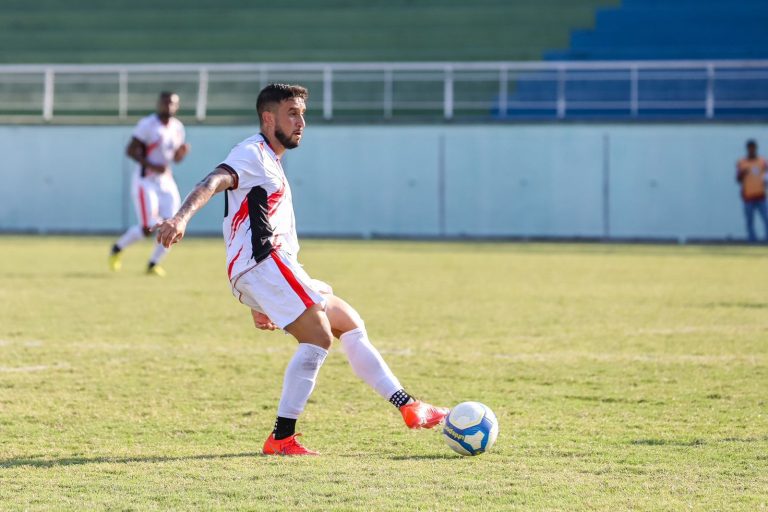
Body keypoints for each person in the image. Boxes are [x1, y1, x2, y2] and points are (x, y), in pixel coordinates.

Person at [154, 83, 448, 456]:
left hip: (272, 268)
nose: (300, 122)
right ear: (268, 117)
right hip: (265, 265)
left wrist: (258, 301)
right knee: (319, 337)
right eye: (292, 113)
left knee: (349, 322)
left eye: (302, 115)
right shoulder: (252, 153)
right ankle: (281, 437)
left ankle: (409, 406)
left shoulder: (271, 161)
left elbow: (245, 225)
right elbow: (212, 181)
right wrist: (181, 218)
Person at [109, 91, 191, 276]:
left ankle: (153, 263)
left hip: (166, 181)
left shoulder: (177, 127)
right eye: (165, 103)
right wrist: (152, 165)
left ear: (177, 106)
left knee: (175, 224)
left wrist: (182, 153)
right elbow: (130, 150)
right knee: (147, 227)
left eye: (172, 104)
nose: (168, 107)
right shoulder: (147, 125)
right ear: (159, 104)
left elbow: (175, 158)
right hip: (145, 180)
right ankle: (117, 248)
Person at [736, 139, 768, 243]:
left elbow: (766, 176)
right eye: (750, 148)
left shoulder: (762, 162)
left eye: (753, 148)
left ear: (756, 149)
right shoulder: (742, 162)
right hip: (748, 196)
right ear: (747, 149)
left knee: (766, 218)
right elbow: (738, 179)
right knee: (750, 221)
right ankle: (752, 240)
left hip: (761, 195)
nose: (752, 150)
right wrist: (742, 173)